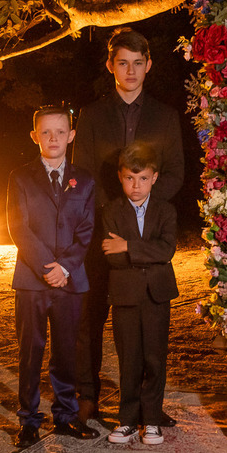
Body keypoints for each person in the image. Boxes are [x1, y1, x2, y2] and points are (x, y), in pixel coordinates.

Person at [72, 27, 184, 425]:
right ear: (111, 66)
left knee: (144, 330)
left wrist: (142, 214)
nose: (131, 70)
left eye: (138, 63)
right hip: (103, 231)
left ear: (148, 65)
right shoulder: (92, 115)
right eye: (123, 62)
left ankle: (143, 406)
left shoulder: (166, 116)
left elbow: (173, 175)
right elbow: (82, 174)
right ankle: (87, 398)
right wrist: (114, 216)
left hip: (147, 234)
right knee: (90, 318)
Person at [7, 105, 99, 448]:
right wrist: (48, 267)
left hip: (71, 281)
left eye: (60, 131)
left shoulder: (85, 180)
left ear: (71, 135)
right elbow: (18, 227)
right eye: (46, 132)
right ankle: (29, 420)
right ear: (34, 136)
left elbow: (86, 230)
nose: (53, 138)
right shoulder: (20, 177)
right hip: (32, 280)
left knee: (66, 352)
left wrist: (66, 268)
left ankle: (64, 415)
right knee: (30, 352)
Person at [100, 142, 179, 446]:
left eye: (143, 178)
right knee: (129, 359)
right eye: (129, 179)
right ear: (120, 177)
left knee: (155, 359)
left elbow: (167, 249)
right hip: (126, 296)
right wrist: (139, 252)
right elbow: (111, 255)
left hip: (157, 295)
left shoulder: (166, 210)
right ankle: (127, 420)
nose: (136, 186)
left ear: (155, 177)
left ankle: (153, 421)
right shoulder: (111, 211)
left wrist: (129, 246)